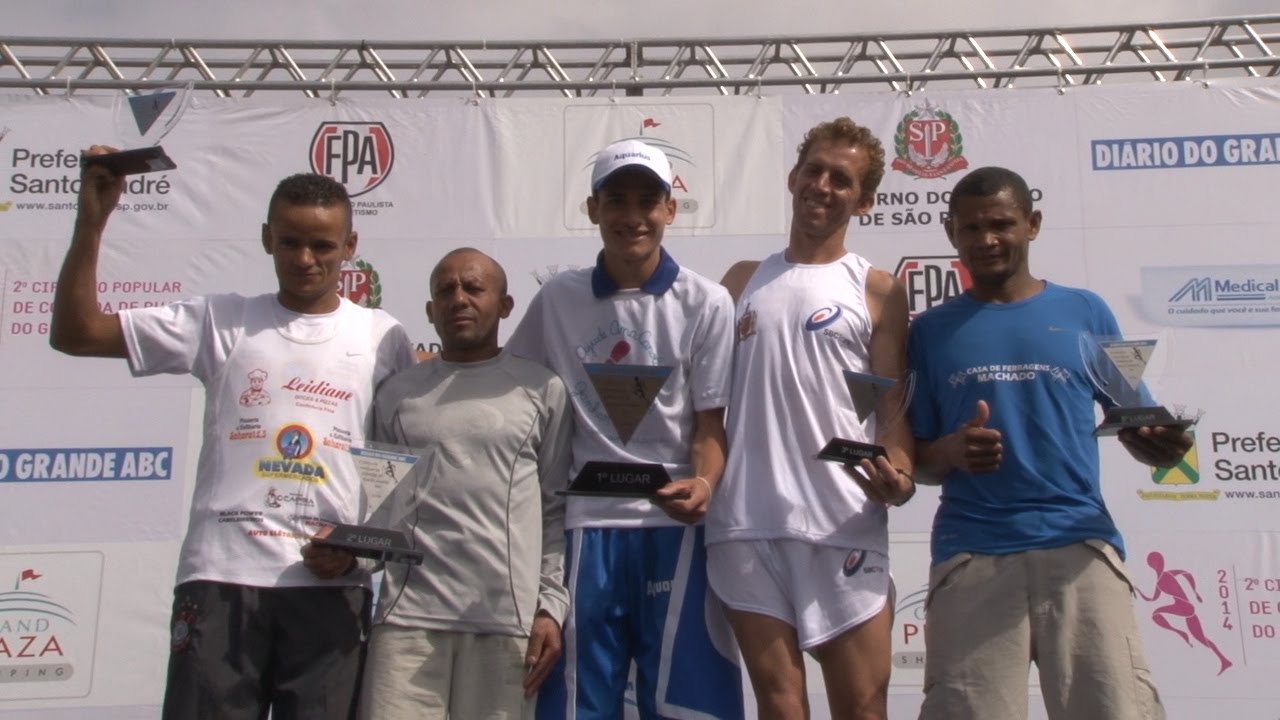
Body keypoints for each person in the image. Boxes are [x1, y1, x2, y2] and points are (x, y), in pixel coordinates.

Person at [49, 150, 416, 719]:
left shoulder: (382, 336)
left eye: (322, 245)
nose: (304, 258)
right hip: (220, 579)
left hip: (327, 590)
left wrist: (359, 558)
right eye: (290, 240)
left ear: (350, 246)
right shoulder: (219, 319)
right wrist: (91, 222)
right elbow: (76, 333)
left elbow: (396, 471)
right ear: (266, 237)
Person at [909, 166, 1192, 720]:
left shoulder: (1086, 311)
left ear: (1032, 224)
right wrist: (951, 451)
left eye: (1001, 224)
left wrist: (1157, 442)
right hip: (974, 553)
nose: (986, 240)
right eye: (970, 228)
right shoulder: (928, 331)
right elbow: (913, 459)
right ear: (951, 234)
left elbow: (1133, 419)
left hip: (1079, 544)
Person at [506, 139, 744, 720]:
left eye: (647, 200)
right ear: (593, 210)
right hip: (586, 529)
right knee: (581, 702)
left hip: (674, 529)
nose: (632, 216)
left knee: (688, 702)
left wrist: (707, 485)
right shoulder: (557, 299)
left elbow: (710, 426)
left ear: (670, 209)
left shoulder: (706, 301)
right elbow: (512, 394)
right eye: (616, 200)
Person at [707, 117, 914, 720]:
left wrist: (898, 474)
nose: (823, 186)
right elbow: (708, 408)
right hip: (745, 523)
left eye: (842, 179)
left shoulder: (877, 288)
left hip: (840, 521)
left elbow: (891, 405)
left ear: (866, 200)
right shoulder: (740, 281)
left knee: (862, 707)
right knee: (780, 705)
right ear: (793, 176)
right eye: (815, 171)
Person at [358, 248, 573, 719]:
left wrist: (550, 607)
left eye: (474, 288)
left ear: (506, 305)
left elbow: (556, 508)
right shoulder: (397, 394)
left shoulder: (542, 390)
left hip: (506, 626)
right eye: (445, 291)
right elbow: (380, 512)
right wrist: (346, 552)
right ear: (431, 311)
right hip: (405, 625)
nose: (459, 299)